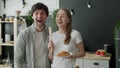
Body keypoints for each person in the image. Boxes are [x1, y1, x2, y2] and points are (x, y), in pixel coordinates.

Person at [14, 2, 50, 68]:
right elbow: (18, 59)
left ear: (46, 16)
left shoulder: (50, 33)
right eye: (36, 13)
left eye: (42, 13)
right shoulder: (23, 35)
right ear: (32, 16)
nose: (39, 16)